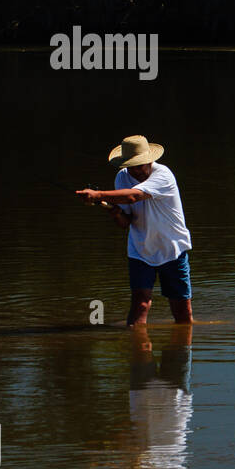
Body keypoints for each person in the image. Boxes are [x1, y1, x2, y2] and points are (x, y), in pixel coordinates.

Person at [76, 135, 194, 326]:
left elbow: (133, 197)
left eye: (140, 165)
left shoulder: (163, 175)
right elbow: (126, 222)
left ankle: (180, 348)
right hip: (140, 249)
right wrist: (113, 211)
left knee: (182, 312)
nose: (136, 170)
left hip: (172, 248)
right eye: (132, 166)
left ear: (150, 161)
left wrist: (98, 195)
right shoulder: (122, 177)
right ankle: (138, 351)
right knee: (140, 303)